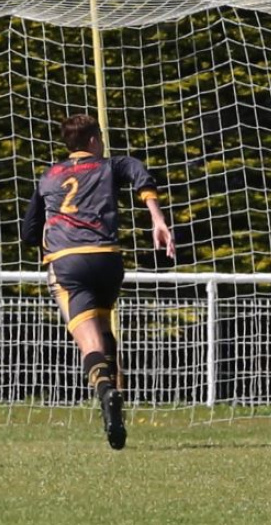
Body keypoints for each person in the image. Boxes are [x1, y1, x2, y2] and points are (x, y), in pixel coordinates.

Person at [21, 114, 175, 449]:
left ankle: (105, 391)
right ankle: (115, 405)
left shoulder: (49, 176)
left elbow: (28, 232)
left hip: (68, 262)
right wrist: (158, 218)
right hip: (107, 259)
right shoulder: (110, 166)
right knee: (104, 328)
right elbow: (137, 171)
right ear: (93, 140)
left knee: (89, 343)